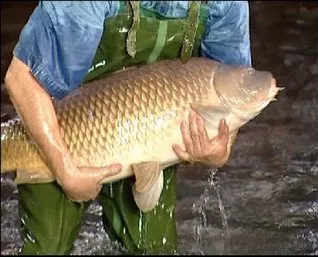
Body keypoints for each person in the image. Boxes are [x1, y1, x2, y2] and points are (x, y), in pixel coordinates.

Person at [4, 1, 251, 255]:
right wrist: (63, 167)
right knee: (48, 247)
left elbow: (233, 89)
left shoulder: (226, 4)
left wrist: (220, 149)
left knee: (154, 249)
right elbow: (21, 79)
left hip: (148, 129)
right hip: (60, 126)